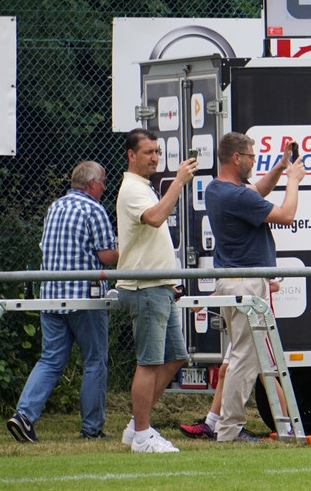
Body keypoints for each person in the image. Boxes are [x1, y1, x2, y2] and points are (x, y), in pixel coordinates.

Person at [6, 161, 118, 443]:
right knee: (94, 362)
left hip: (51, 298)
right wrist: (125, 246)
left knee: (50, 360)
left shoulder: (55, 207)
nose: (104, 187)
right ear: (92, 183)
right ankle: (91, 428)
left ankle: (24, 415)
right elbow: (107, 256)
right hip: (85, 299)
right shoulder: (94, 209)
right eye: (102, 182)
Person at [204, 132, 305, 442]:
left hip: (235, 282)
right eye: (251, 157)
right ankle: (230, 430)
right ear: (237, 158)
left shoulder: (216, 189)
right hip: (246, 284)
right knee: (244, 359)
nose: (254, 162)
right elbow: (286, 215)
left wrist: (280, 166)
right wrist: (293, 180)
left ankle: (230, 426)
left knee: (245, 356)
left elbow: (257, 191)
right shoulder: (237, 196)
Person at [115, 128, 197, 454]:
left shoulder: (143, 186)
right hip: (145, 288)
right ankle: (142, 436)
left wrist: (168, 281)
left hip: (159, 286)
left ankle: (137, 425)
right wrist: (178, 182)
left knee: (176, 357)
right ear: (131, 155)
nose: (155, 158)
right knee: (149, 363)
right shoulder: (133, 188)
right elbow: (156, 218)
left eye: (157, 152)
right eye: (148, 152)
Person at [179, 280, 290, 441]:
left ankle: (286, 429)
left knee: (266, 375)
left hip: (256, 322)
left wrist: (206, 301)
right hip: (242, 322)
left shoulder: (254, 269)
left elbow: (275, 285)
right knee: (225, 371)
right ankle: (211, 423)